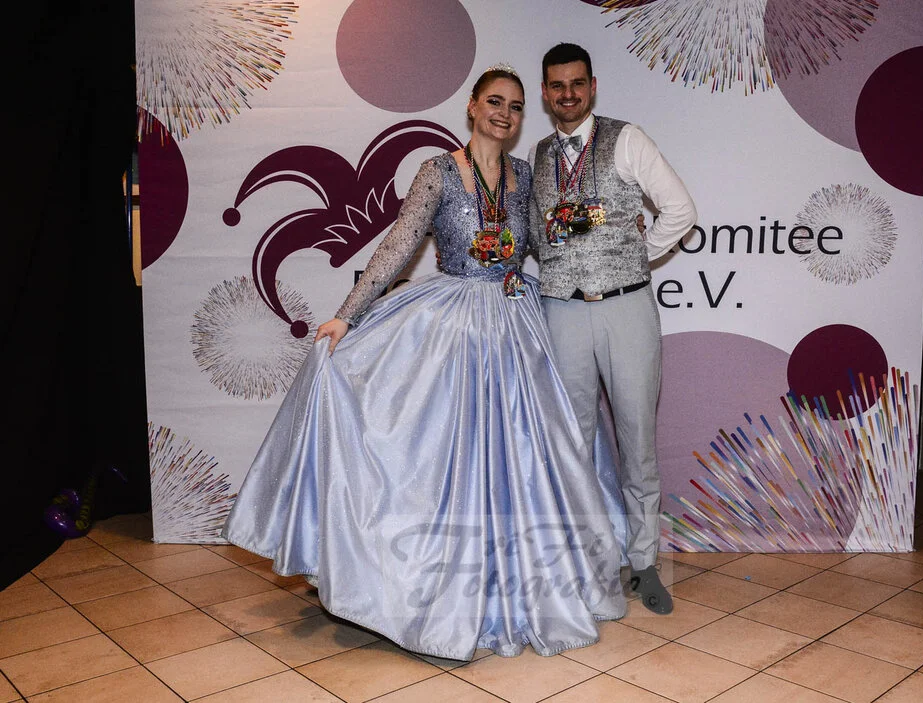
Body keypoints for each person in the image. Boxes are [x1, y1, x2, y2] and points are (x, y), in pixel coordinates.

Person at [221, 66, 627, 661]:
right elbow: (399, 245)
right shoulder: (437, 171)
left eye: (516, 106)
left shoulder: (524, 175)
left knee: (531, 456)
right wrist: (347, 315)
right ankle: (431, 588)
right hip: (455, 327)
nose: (505, 114)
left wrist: (606, 215)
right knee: (443, 457)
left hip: (517, 322)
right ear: (472, 106)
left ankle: (525, 589)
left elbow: (547, 237)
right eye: (495, 102)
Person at [528, 43, 698, 615]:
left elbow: (680, 209)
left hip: (626, 308)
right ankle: (583, 563)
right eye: (557, 86)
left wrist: (633, 256)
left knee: (636, 441)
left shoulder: (627, 138)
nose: (567, 94)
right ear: (545, 92)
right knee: (572, 443)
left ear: (592, 86)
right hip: (562, 311)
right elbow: (539, 236)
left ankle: (644, 562)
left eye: (577, 83)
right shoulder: (539, 153)